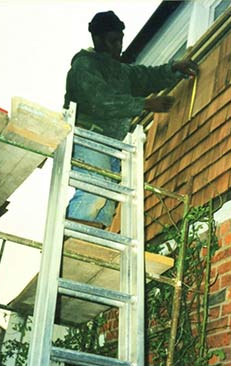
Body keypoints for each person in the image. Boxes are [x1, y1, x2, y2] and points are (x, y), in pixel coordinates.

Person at [64, 10, 198, 229]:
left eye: (120, 40)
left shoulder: (121, 72)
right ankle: (70, 238)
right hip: (88, 136)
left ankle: (92, 242)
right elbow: (100, 101)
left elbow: (148, 76)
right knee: (96, 190)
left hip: (112, 145)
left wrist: (174, 68)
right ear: (97, 39)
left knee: (108, 201)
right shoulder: (84, 66)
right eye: (113, 40)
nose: (118, 46)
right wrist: (145, 104)